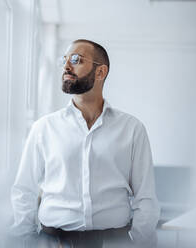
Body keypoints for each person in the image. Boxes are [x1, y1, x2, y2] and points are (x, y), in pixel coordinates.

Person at [10, 39, 160, 247]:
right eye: (64, 60)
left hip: (114, 242)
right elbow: (24, 190)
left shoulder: (132, 129)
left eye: (76, 59)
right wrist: (25, 241)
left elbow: (146, 198)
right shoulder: (43, 128)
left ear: (100, 72)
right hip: (53, 242)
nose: (66, 66)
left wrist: (140, 243)